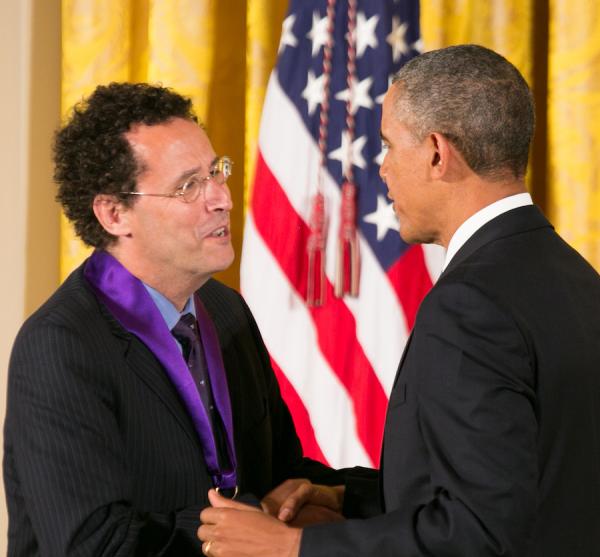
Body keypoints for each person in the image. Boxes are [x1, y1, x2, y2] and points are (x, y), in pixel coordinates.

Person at [198, 44, 600, 556]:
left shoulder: (470, 305)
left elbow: (477, 534)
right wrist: (349, 496)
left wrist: (292, 547)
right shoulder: (577, 278)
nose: (382, 169)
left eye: (388, 145)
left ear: (437, 152)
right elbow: (521, 483)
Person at [3, 82, 340, 556]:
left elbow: (284, 477)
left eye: (216, 172)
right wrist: (250, 521)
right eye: (188, 186)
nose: (221, 198)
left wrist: (392, 495)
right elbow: (93, 543)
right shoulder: (61, 345)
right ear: (115, 213)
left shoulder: (227, 312)